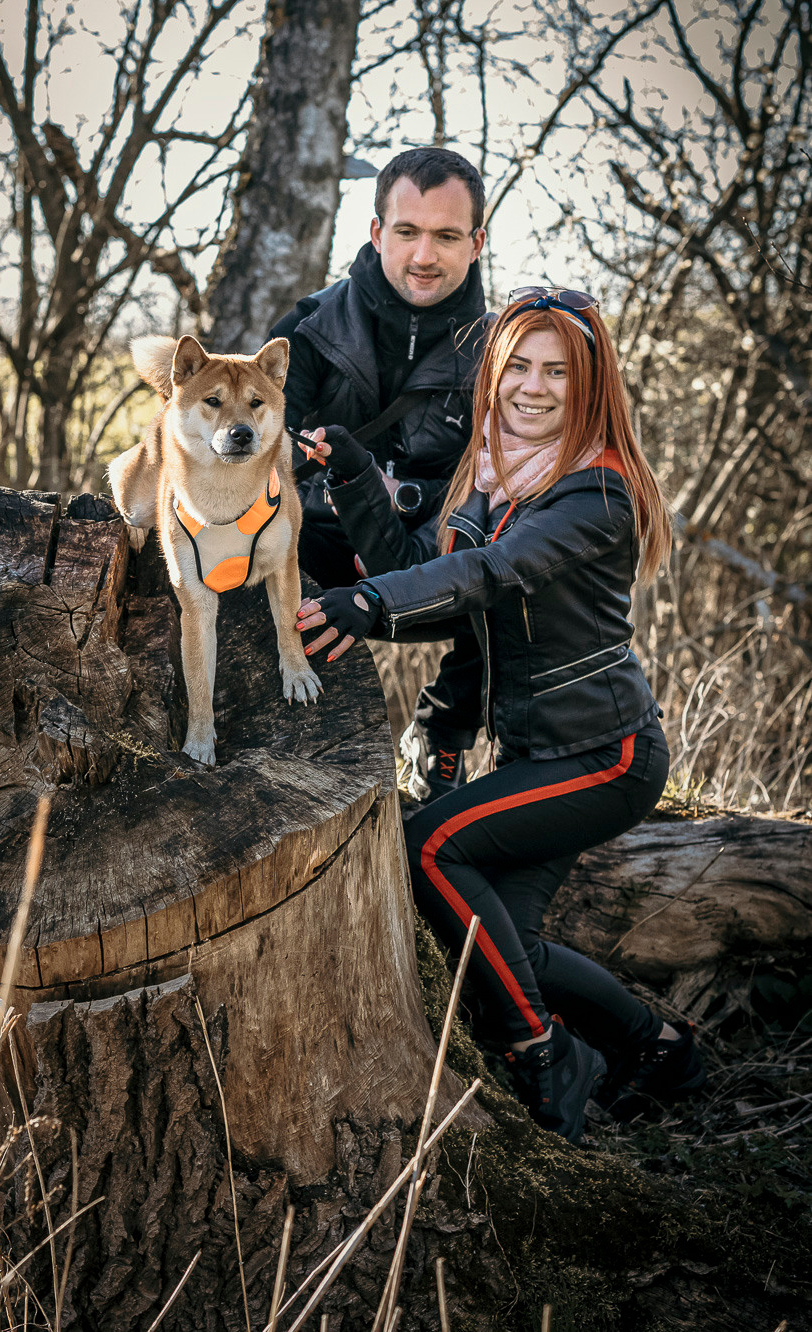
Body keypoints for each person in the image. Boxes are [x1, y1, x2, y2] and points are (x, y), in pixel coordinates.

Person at [295, 289, 706, 1143]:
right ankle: (658, 1047)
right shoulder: (493, 473)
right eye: (516, 365)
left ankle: (542, 1054)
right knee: (499, 942)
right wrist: (354, 475)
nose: (532, 385)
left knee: (426, 847)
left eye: (557, 371)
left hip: (604, 755)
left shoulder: (594, 493)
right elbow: (429, 571)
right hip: (535, 753)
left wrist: (365, 601)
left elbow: (490, 575)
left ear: (590, 382)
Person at [271, 146, 492, 802]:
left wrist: (407, 504)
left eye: (446, 236)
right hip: (316, 556)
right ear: (376, 232)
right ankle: (287, 765)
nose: (424, 255)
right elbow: (256, 456)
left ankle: (443, 739)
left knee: (525, 573)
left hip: (424, 561)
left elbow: (500, 491)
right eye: (407, 232)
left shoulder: (501, 353)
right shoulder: (309, 330)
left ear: (475, 243)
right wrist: (342, 485)